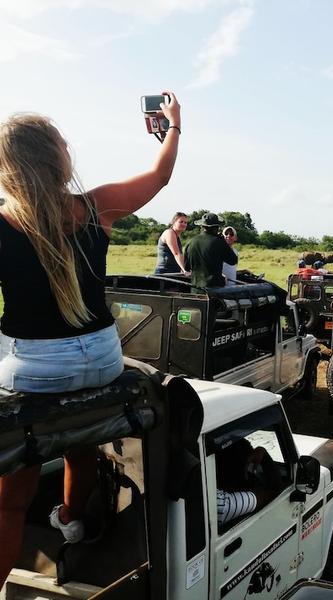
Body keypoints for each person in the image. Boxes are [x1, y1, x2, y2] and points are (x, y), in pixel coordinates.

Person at [0, 92, 181, 585]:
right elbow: (160, 176)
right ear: (57, 158)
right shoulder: (94, 207)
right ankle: (70, 520)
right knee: (79, 441)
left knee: (10, 502)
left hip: (35, 368)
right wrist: (173, 127)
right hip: (103, 357)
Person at [184, 213, 237, 288]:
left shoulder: (191, 242)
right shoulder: (219, 242)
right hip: (215, 289)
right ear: (217, 227)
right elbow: (233, 260)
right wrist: (224, 242)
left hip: (196, 289)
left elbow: (186, 267)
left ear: (202, 226)